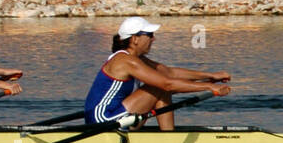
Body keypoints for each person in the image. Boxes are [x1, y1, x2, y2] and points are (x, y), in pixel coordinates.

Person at [83, 17, 232, 131]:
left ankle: (168, 137)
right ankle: (168, 139)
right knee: (160, 86)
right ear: (135, 39)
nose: (153, 38)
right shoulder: (125, 60)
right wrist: (208, 87)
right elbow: (167, 83)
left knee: (161, 84)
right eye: (149, 34)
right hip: (103, 121)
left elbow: (169, 72)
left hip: (117, 116)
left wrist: (211, 76)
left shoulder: (136, 59)